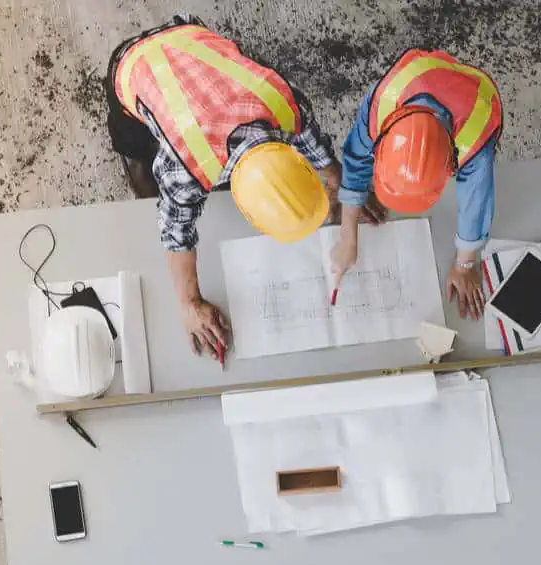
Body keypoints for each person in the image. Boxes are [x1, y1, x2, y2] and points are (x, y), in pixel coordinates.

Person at [105, 16, 356, 358]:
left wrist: (337, 183)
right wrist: (188, 303)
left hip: (191, 37)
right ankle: (136, 151)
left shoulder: (283, 102)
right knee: (138, 160)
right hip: (134, 64)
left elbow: (311, 139)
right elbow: (175, 231)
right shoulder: (186, 167)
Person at [331, 48, 503, 320]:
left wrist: (465, 264)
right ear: (382, 142)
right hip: (419, 76)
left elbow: (476, 202)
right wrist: (347, 234)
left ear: (451, 164)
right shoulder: (382, 104)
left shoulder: (476, 135)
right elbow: (355, 158)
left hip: (469, 93)